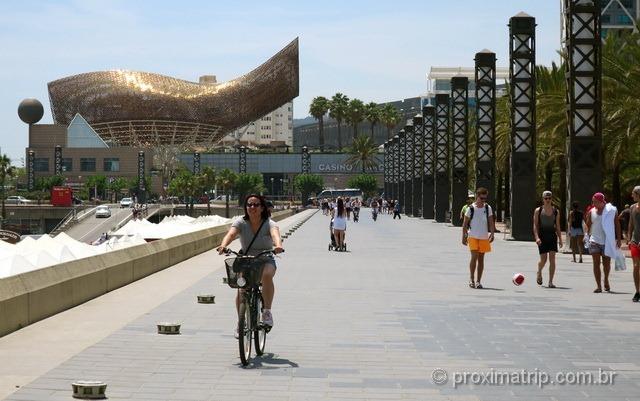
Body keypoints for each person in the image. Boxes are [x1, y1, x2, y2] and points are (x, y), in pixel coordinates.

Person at [217, 194, 284, 335]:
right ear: (245, 207)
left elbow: (275, 234)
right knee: (241, 288)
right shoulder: (240, 222)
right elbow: (231, 234)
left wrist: (278, 245)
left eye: (256, 205)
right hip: (246, 259)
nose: (252, 207)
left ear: (262, 208)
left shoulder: (269, 223)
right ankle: (241, 322)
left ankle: (266, 312)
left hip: (265, 257)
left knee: (266, 275)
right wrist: (223, 245)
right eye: (249, 205)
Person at [585, 192, 621, 293]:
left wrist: (618, 239)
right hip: (594, 241)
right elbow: (588, 225)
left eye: (595, 201)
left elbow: (617, 225)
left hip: (607, 241)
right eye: (593, 201)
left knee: (606, 264)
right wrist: (586, 235)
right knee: (596, 263)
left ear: (601, 202)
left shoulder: (611, 211)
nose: (593, 203)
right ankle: (598, 286)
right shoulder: (591, 212)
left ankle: (606, 279)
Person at [462, 187, 495, 289]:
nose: (483, 200)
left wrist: (492, 233)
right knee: (474, 257)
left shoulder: (487, 208)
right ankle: (471, 279)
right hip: (472, 236)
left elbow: (491, 221)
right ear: (477, 196)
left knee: (481, 259)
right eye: (481, 198)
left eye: (485, 198)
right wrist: (463, 236)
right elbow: (465, 224)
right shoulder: (470, 208)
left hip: (484, 237)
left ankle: (478, 281)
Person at [533, 191, 563, 288]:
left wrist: (560, 239)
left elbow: (557, 226)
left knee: (552, 259)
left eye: (549, 198)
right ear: (543, 199)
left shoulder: (556, 211)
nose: (548, 200)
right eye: (546, 198)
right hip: (542, 236)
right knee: (544, 260)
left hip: (552, 236)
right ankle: (539, 271)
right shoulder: (538, 210)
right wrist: (537, 237)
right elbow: (535, 225)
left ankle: (550, 281)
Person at [627, 186, 640, 302]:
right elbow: (631, 223)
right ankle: (637, 291)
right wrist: (629, 237)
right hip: (635, 241)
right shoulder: (632, 207)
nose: (632, 196)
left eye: (633, 194)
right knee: (636, 266)